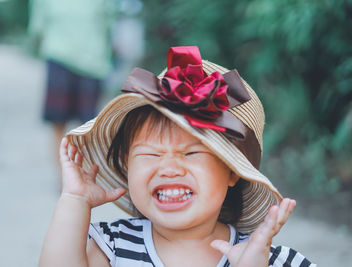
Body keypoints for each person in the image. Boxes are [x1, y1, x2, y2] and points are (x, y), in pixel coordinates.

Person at [39, 46, 316, 266]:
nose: (169, 168)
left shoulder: (265, 257)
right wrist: (75, 200)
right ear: (127, 163)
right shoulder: (113, 245)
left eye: (191, 152)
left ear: (232, 171)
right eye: (150, 153)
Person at [28, 0, 115, 179]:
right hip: (86, 59)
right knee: (83, 125)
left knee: (70, 125)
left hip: (77, 60)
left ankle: (69, 177)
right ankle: (72, 177)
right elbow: (109, 23)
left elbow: (37, 29)